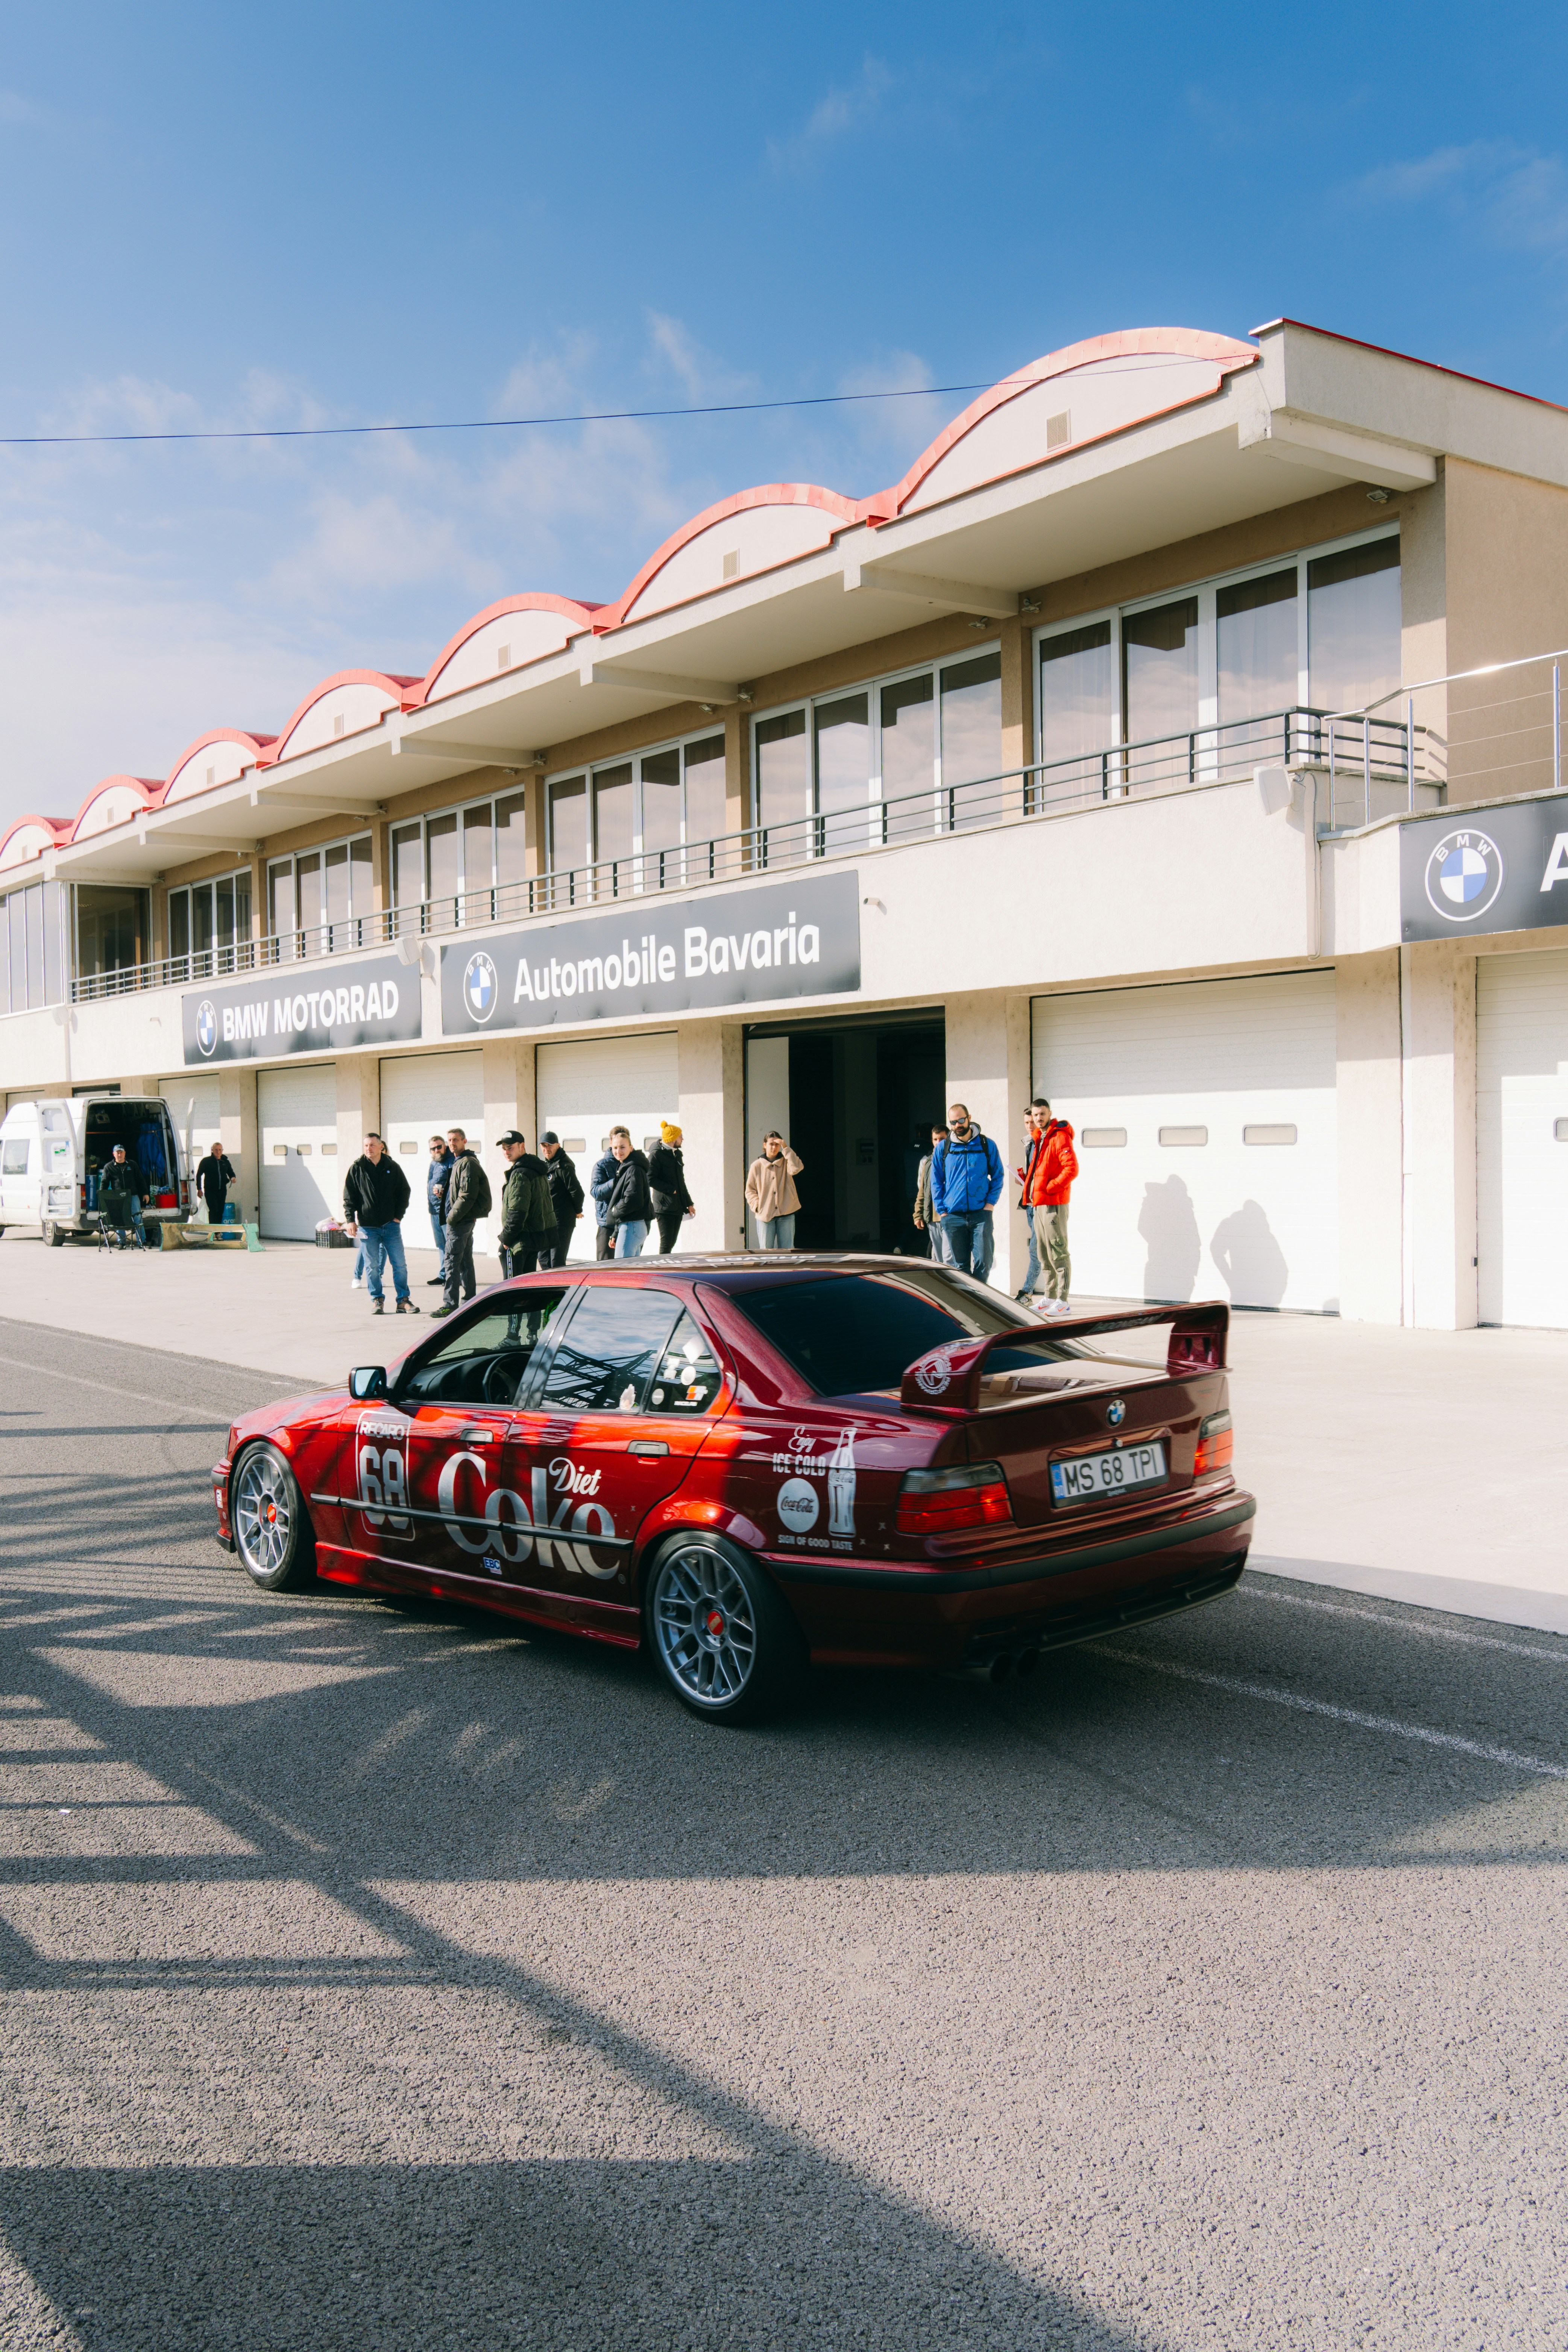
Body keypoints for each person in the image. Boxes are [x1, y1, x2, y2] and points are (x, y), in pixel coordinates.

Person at [342, 1133, 418, 1317]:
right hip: (368, 1227)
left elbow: (404, 1192)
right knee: (372, 1266)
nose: (369, 1149)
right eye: (366, 1146)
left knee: (400, 1265)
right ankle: (377, 1300)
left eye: (373, 1145)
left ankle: (403, 1301)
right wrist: (350, 1220)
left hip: (391, 1226)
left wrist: (398, 1216)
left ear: (381, 1146)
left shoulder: (392, 1167)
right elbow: (349, 1196)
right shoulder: (357, 1169)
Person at [929, 1103, 1004, 1283]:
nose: (958, 1125)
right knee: (960, 1266)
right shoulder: (943, 1149)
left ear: (969, 1118)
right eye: (953, 1122)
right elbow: (936, 1182)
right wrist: (943, 1211)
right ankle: (969, 1303)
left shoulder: (987, 1145)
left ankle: (979, 1297)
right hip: (953, 1216)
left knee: (984, 1261)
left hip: (981, 1214)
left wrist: (990, 1204)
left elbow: (998, 1176)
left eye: (961, 1120)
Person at [1020, 1095, 1079, 1315]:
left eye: (1043, 1114)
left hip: (1054, 1205)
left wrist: (1049, 1188)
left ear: (1050, 1114)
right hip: (1039, 1205)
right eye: (1036, 1115)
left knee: (1058, 1251)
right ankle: (1049, 1296)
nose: (1039, 1118)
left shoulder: (1060, 1137)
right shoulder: (1039, 1138)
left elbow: (1071, 1169)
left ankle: (1063, 1300)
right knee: (1043, 1253)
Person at [433, 1125, 491, 1316]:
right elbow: (458, 1193)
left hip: (460, 1222)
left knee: (451, 1262)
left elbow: (467, 1196)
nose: (452, 1144)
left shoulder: (467, 1163)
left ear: (464, 1141)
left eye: (456, 1140)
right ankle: (471, 1300)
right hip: (461, 1220)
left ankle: (450, 1305)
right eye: (450, 1141)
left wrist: (451, 1218)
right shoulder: (458, 1162)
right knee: (465, 1261)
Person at [494, 1130, 557, 1277]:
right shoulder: (534, 1169)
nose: (507, 1152)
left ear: (522, 1146)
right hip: (531, 1239)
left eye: (511, 1148)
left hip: (519, 1242)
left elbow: (518, 1212)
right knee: (525, 1285)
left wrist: (506, 1240)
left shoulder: (521, 1174)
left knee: (511, 1288)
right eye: (504, 1149)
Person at [595, 1125, 651, 1257]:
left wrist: (614, 1211)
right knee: (631, 1272)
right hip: (630, 1226)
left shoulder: (634, 1169)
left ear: (631, 1148)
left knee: (622, 1272)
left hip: (631, 1227)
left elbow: (633, 1200)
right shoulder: (627, 1166)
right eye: (615, 1148)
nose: (618, 1151)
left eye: (623, 1147)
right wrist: (616, 1232)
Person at [746, 1131, 803, 1249]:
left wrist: (786, 1147)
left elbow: (797, 1168)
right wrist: (758, 1206)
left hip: (787, 1214)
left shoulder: (787, 1162)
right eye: (771, 1144)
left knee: (788, 1251)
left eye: (777, 1144)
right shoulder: (756, 1166)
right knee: (766, 1252)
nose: (774, 1147)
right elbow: (750, 1190)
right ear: (765, 1145)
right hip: (765, 1216)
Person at [648, 1121, 695, 1255]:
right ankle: (662, 1270)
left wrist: (689, 1204)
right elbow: (650, 1178)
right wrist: (670, 1189)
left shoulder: (677, 1154)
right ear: (673, 1138)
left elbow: (682, 1182)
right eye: (680, 1136)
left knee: (672, 1242)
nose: (683, 1139)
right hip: (664, 1208)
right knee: (667, 1243)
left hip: (678, 1206)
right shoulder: (656, 1155)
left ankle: (665, 1266)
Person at [538, 1133, 583, 1267]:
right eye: (544, 1146)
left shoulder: (564, 1166)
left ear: (558, 1146)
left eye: (550, 1146)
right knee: (543, 1257)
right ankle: (548, 1286)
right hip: (548, 1220)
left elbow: (577, 1192)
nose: (547, 1149)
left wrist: (578, 1211)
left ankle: (560, 1287)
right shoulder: (548, 1164)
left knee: (556, 1261)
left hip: (562, 1221)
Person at [1014, 1109, 1043, 1299]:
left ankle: (1027, 1292)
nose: (1030, 1126)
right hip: (1030, 1203)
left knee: (1037, 1249)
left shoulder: (1042, 1143)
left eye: (1032, 1122)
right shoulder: (1029, 1144)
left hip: (1041, 1204)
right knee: (1037, 1248)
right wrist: (1023, 1179)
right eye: (1026, 1123)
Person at [101, 1142, 147, 1247]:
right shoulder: (109, 1167)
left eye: (121, 1153)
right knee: (119, 1219)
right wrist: (102, 1197)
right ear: (114, 1154)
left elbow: (141, 1180)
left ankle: (142, 1242)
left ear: (125, 1153)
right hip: (118, 1197)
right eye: (118, 1153)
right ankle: (122, 1242)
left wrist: (145, 1193)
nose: (120, 1155)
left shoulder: (133, 1165)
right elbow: (104, 1183)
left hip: (133, 1196)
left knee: (138, 1218)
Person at [912, 1124, 947, 1259]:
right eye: (935, 1140)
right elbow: (923, 1190)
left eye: (942, 1139)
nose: (939, 1143)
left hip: (951, 1216)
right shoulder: (927, 1162)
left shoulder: (954, 1159)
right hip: (933, 1217)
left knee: (951, 1258)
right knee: (938, 1258)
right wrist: (918, 1214)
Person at [425, 1134, 454, 1285]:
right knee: (441, 1245)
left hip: (447, 1211)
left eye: (439, 1147)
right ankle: (444, 1274)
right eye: (433, 1148)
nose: (436, 1150)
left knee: (451, 1245)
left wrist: (445, 1193)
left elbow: (456, 1187)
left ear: (445, 1146)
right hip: (434, 1210)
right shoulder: (434, 1163)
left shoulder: (452, 1161)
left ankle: (453, 1275)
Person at [588, 1137, 620, 1261]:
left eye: (623, 1146)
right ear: (611, 1143)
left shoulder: (631, 1165)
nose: (619, 1150)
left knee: (625, 1269)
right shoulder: (601, 1165)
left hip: (627, 1223)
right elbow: (595, 1191)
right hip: (607, 1224)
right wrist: (614, 1183)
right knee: (604, 1266)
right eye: (616, 1145)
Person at [194, 1139, 236, 1227]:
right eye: (216, 1150)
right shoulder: (206, 1161)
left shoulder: (225, 1162)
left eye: (220, 1150)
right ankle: (214, 1232)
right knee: (214, 1210)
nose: (218, 1152)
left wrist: (233, 1178)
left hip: (222, 1190)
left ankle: (218, 1232)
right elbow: (199, 1175)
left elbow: (231, 1172)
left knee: (220, 1211)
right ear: (212, 1151)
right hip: (210, 1191)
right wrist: (199, 1189)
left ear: (222, 1151)